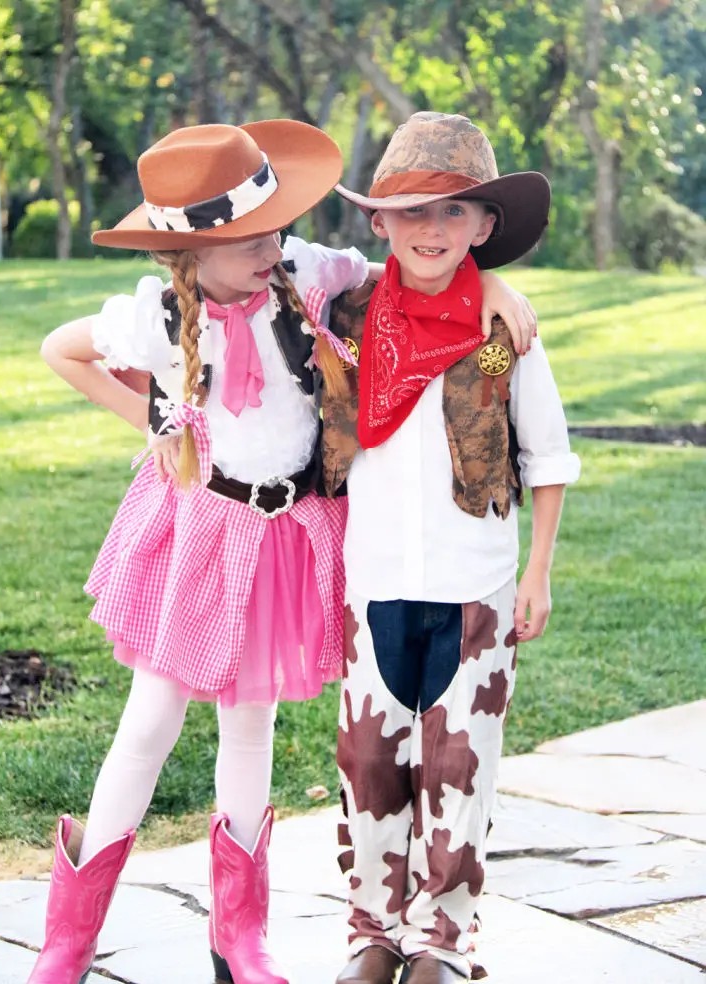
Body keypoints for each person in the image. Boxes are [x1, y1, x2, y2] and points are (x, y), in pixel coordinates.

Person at [27, 119, 534, 984]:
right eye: (249, 237)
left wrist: (498, 296)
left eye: (276, 224)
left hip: (284, 536)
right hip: (201, 530)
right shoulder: (155, 316)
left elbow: (401, 270)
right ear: (192, 254)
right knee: (151, 719)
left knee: (249, 723)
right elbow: (60, 349)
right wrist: (159, 424)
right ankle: (67, 941)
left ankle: (239, 938)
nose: (275, 243)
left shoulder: (305, 272)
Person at [321, 112, 581, 984]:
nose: (432, 230)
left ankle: (443, 935)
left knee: (458, 763)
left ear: (483, 227)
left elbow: (546, 452)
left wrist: (538, 570)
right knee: (368, 759)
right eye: (411, 213)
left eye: (453, 212)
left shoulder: (503, 337)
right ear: (377, 223)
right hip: (377, 578)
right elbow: (255, 279)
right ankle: (374, 927)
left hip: (475, 583)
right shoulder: (349, 320)